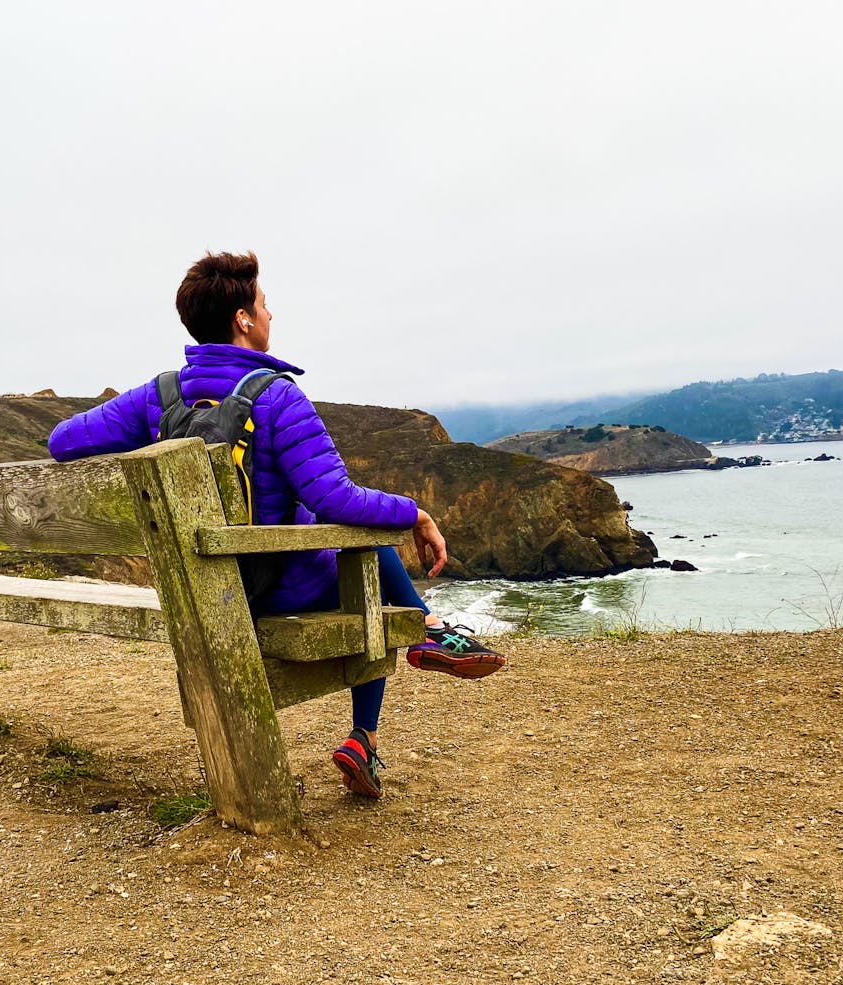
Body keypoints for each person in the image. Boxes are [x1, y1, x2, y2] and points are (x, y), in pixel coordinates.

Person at [48, 250, 505, 798]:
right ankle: (395, 686)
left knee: (357, 557)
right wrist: (415, 512)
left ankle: (410, 664)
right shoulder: (277, 396)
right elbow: (335, 499)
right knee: (367, 558)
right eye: (264, 304)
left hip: (199, 591)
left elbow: (62, 441)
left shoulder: (159, 396)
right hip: (271, 588)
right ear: (243, 319)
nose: (271, 315)